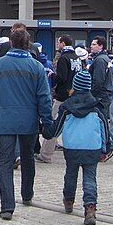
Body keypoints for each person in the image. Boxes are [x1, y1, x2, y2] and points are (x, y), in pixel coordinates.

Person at [0, 28, 53, 221]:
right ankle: (27, 194)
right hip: (28, 121)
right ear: (27, 44)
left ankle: (7, 207)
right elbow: (44, 97)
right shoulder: (36, 67)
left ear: (11, 43)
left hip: (5, 121)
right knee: (28, 157)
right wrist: (47, 121)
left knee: (5, 162)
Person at [52, 70, 109, 225]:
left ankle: (68, 201)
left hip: (72, 147)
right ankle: (90, 208)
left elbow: (56, 129)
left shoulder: (67, 106)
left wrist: (47, 131)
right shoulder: (97, 106)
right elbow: (104, 127)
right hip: (93, 147)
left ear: (74, 86)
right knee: (90, 178)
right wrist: (105, 148)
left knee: (71, 174)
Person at [38, 35, 81, 164]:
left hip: (63, 96)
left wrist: (53, 75)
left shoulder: (64, 58)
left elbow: (62, 77)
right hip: (75, 95)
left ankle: (46, 154)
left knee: (53, 124)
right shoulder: (77, 58)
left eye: (59, 42)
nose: (58, 44)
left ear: (63, 43)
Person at [88, 36, 113, 160]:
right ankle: (106, 145)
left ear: (101, 46)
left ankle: (106, 147)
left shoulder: (99, 60)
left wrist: (91, 95)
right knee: (103, 121)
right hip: (106, 94)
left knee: (101, 122)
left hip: (100, 96)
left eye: (94, 44)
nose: (91, 46)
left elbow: (98, 80)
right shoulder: (106, 59)